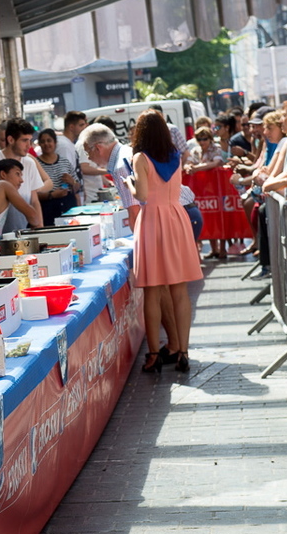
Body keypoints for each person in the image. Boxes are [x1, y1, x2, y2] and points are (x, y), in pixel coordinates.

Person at [126, 110, 203, 373]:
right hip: (176, 218)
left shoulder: (140, 158)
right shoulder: (174, 156)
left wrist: (129, 183)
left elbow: (142, 195)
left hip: (152, 222)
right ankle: (183, 352)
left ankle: (154, 355)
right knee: (179, 291)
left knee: (152, 290)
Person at [0, 117, 49, 231]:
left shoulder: (29, 163)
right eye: (24, 140)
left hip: (22, 231)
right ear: (10, 140)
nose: (29, 145)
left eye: (30, 140)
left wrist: (40, 228)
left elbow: (34, 200)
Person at [81, 122, 141, 227]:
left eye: (88, 152)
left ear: (98, 148)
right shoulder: (126, 153)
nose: (88, 158)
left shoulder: (120, 167)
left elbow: (135, 212)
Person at [35, 128, 79, 223]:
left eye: (49, 141)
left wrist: (72, 182)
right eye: (43, 141)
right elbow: (33, 193)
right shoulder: (35, 164)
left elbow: (77, 187)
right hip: (47, 208)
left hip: (68, 206)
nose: (46, 144)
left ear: (55, 143)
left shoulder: (64, 161)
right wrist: (52, 195)